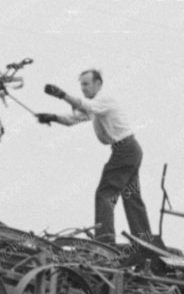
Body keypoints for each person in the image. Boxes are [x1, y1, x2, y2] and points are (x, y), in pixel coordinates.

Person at [39, 69, 154, 245]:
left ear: (98, 84)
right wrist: (52, 117)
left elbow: (86, 106)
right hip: (129, 149)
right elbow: (72, 119)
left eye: (86, 84)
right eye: (81, 85)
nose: (83, 88)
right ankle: (145, 241)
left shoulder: (104, 99)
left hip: (125, 149)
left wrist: (61, 95)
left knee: (105, 194)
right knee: (131, 197)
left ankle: (105, 242)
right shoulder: (96, 106)